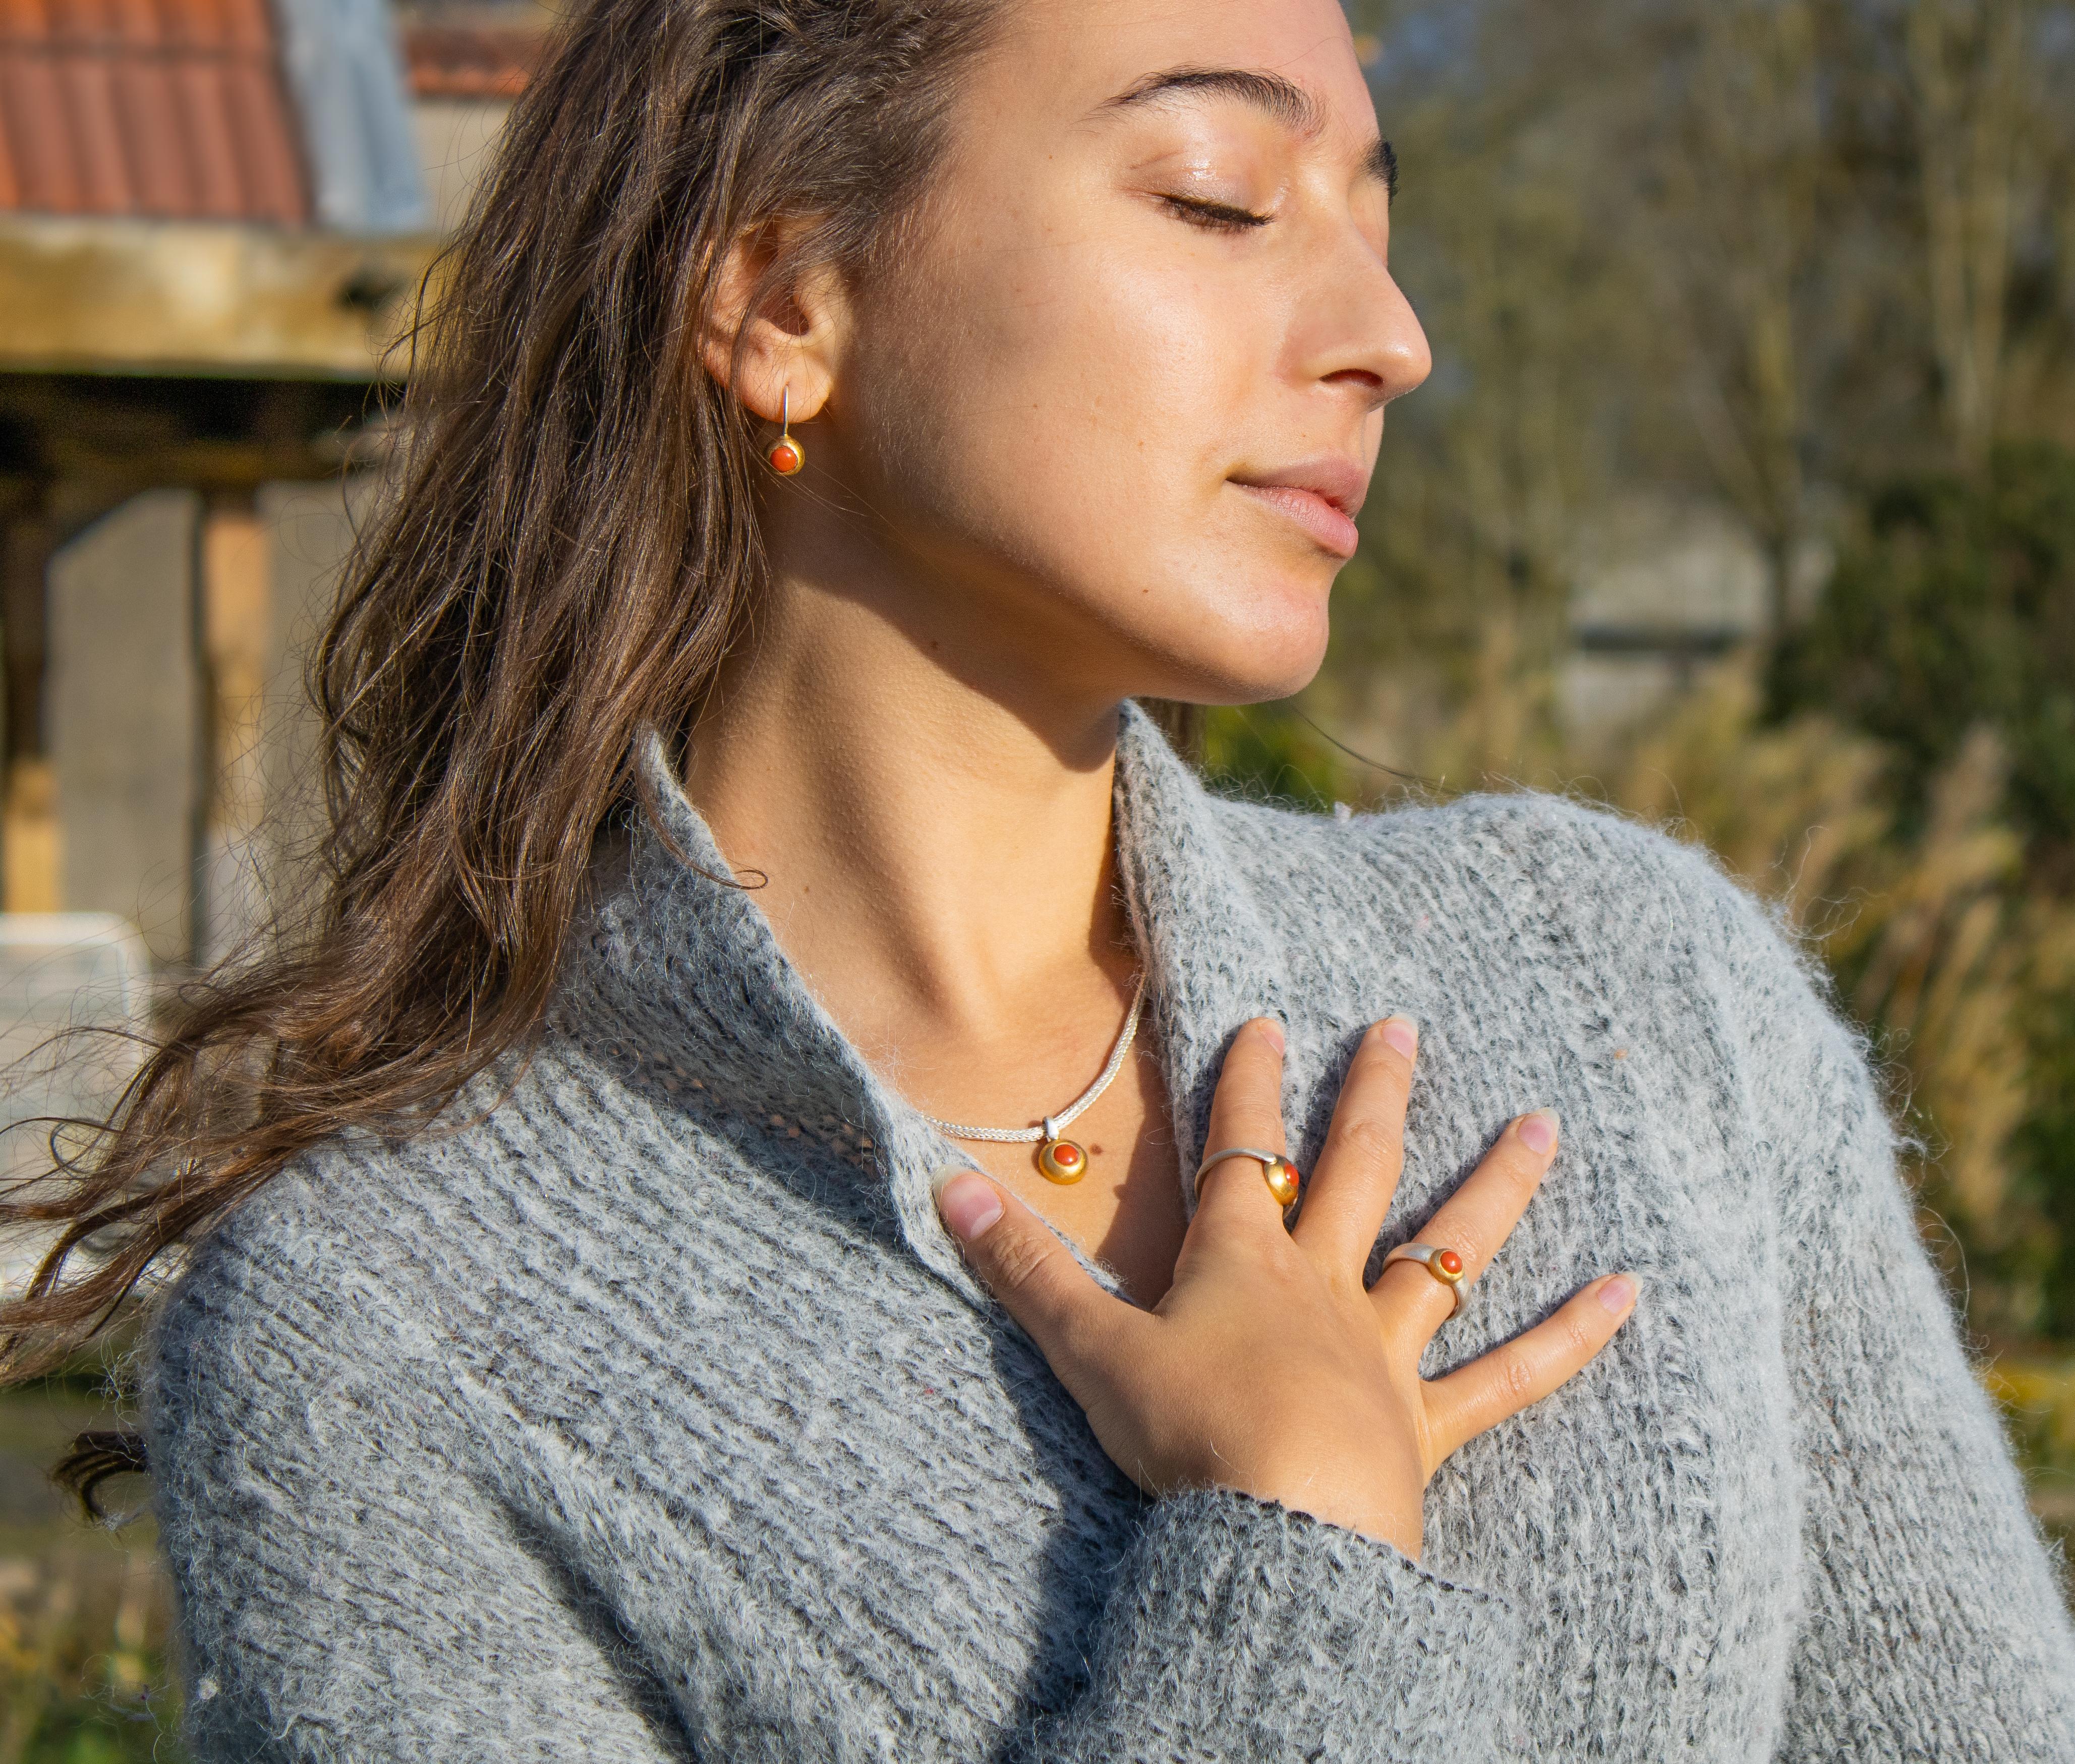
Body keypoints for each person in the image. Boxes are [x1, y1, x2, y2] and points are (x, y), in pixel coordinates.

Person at [6, 0, 2073, 1757]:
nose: (1389, 332)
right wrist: (1294, 1557)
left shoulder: (1643, 996)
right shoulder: (385, 1330)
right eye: (1217, 198)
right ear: (784, 293)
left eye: (1378, 215)